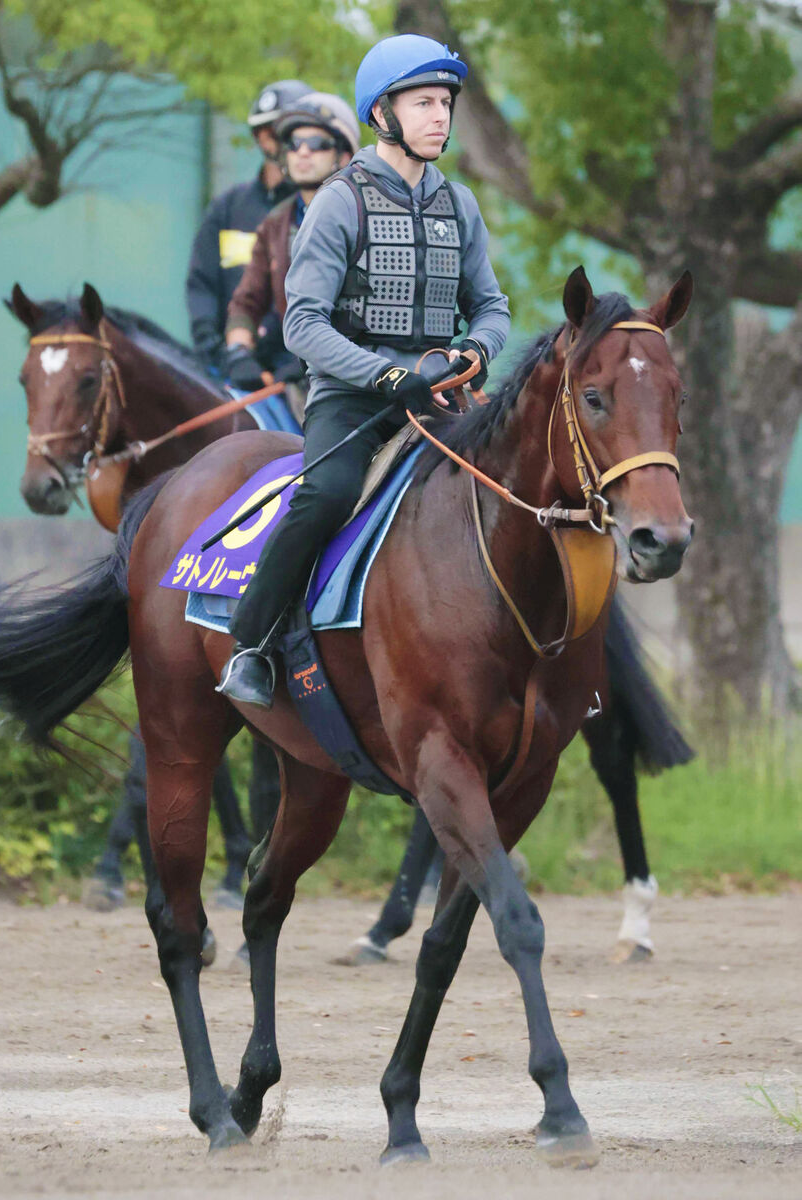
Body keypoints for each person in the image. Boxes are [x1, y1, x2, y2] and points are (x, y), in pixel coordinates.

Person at [217, 34, 511, 708]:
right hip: (352, 402)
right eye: (423, 102)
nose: (439, 116)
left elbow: (490, 306)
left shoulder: (459, 205)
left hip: (440, 400)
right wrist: (382, 376)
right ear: (382, 113)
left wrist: (479, 351)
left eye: (445, 102)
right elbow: (301, 326)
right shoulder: (338, 202)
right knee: (325, 495)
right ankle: (253, 644)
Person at [222, 92, 360, 399]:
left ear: (344, 154)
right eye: (294, 144)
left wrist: (317, 356)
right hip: (290, 373)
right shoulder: (275, 223)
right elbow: (246, 302)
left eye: (318, 144)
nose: (303, 153)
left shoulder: (366, 216)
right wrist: (239, 353)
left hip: (356, 377)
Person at [186, 79, 311, 374]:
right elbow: (201, 285)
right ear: (260, 137)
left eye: (295, 130)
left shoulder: (324, 208)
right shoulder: (227, 207)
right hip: (230, 367)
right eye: (273, 130)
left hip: (297, 370)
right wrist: (221, 352)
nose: (284, 140)